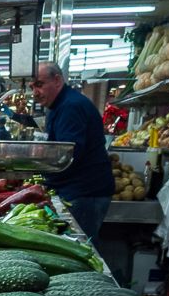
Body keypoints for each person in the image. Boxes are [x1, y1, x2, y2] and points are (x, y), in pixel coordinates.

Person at [32, 62, 115, 244]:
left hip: (85, 191)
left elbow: (69, 154)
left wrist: (34, 166)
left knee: (82, 249)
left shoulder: (71, 106)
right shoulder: (58, 105)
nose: (35, 93)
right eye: (32, 87)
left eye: (39, 85)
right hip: (77, 188)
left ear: (57, 80)